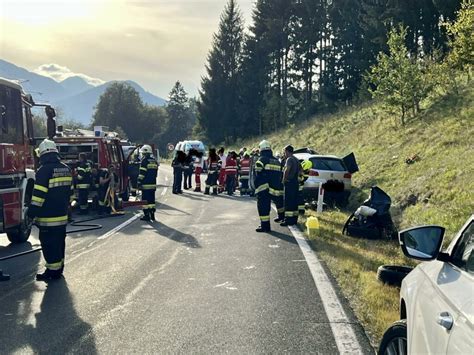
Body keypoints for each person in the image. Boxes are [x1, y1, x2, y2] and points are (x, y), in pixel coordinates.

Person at [28, 139, 72, 281]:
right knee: (59, 243)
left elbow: (38, 197)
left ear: (42, 155)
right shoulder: (66, 168)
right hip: (62, 216)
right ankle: (59, 269)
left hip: (48, 218)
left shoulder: (43, 171)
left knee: (49, 244)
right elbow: (70, 192)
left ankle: (52, 272)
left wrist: (30, 213)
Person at [254, 140, 285, 233]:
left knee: (263, 207)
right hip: (276, 188)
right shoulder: (276, 160)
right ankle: (282, 217)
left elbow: (257, 170)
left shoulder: (262, 159)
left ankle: (265, 226)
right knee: (279, 202)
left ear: (261, 149)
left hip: (264, 188)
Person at [138, 145, 158, 221]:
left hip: (145, 184)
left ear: (144, 153)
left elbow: (142, 173)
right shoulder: (154, 161)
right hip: (153, 184)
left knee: (145, 200)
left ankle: (146, 215)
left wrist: (139, 182)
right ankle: (152, 214)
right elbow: (155, 173)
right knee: (152, 200)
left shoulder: (144, 161)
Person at [281, 145, 300, 226]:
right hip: (295, 182)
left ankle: (288, 220)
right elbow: (301, 171)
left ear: (287, 151)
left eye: (284, 152)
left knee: (288, 201)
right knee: (294, 201)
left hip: (289, 182)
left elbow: (287, 170)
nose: (284, 154)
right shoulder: (296, 159)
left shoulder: (289, 159)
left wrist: (284, 180)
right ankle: (294, 219)